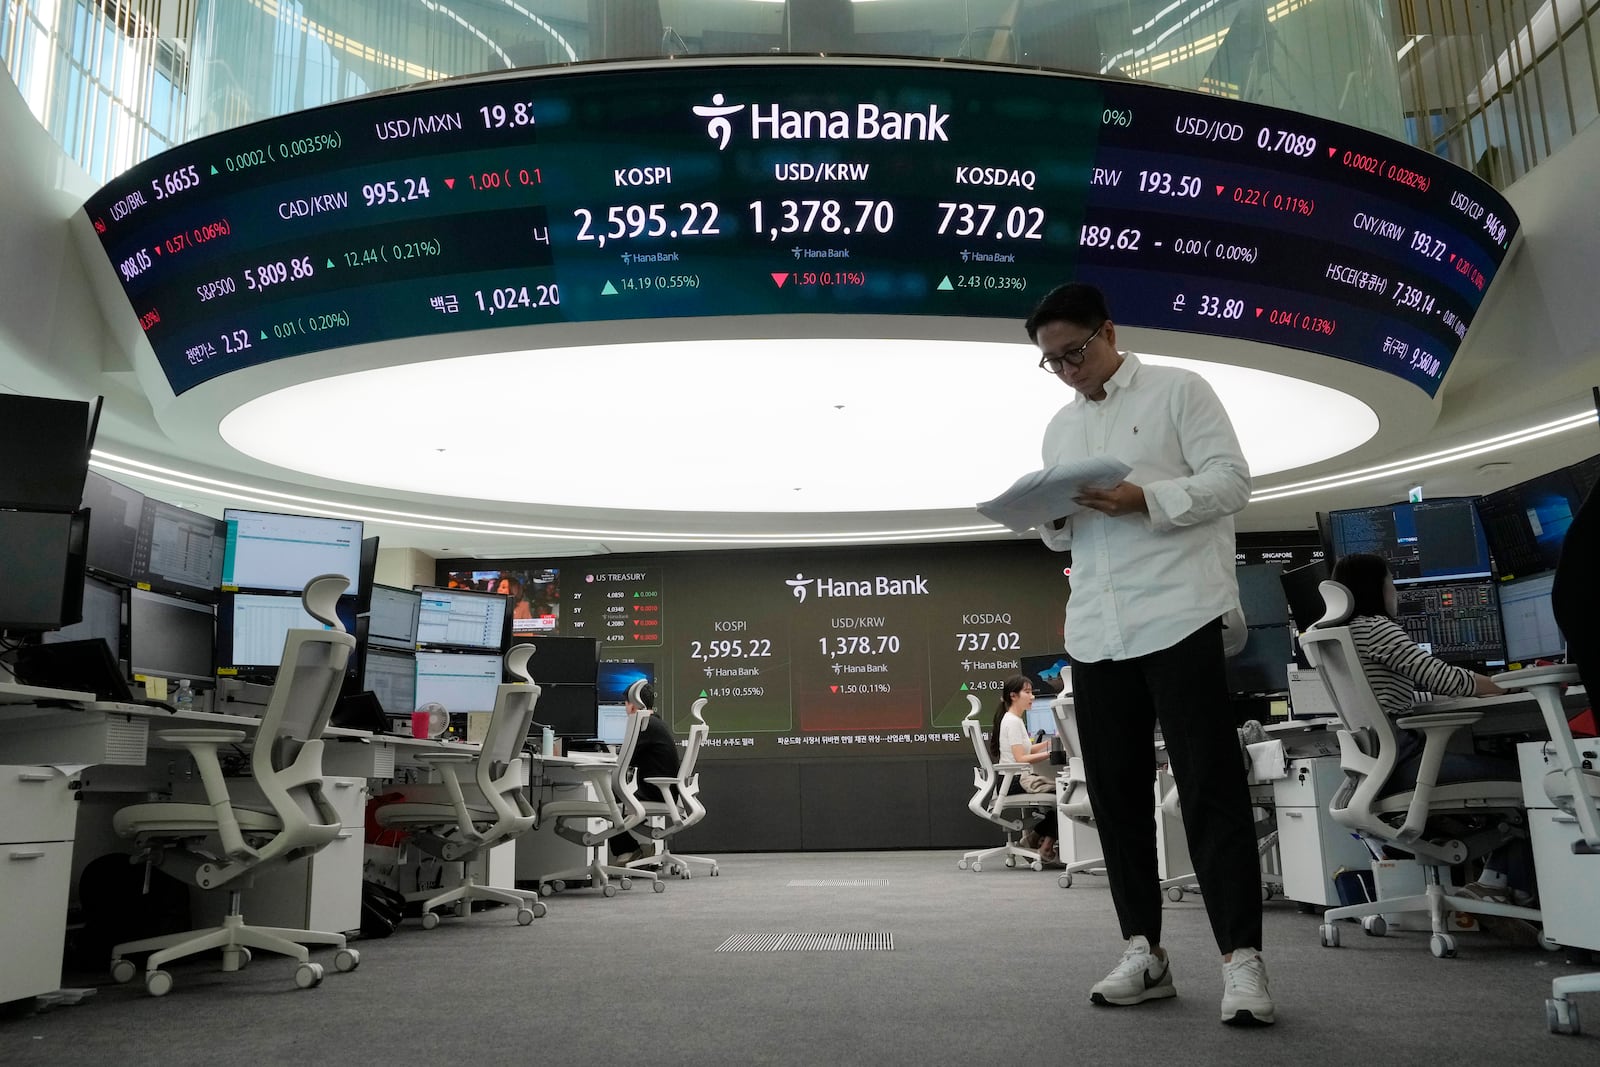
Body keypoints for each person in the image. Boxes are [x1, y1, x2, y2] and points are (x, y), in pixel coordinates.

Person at [1025, 282, 1271, 1026]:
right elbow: (1063, 533)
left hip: (1180, 614)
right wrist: (1049, 519)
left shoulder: (1179, 391)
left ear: (1108, 330)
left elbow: (1233, 484)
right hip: (1095, 630)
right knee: (1118, 798)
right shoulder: (1059, 430)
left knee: (1209, 790)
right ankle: (1144, 950)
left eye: (1075, 351)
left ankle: (1242, 961)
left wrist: (1145, 499)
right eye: (1052, 361)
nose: (1067, 369)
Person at [1328, 552, 1539, 922]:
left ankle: (1499, 884)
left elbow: (1395, 696)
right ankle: (1501, 885)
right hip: (1406, 763)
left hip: (1376, 768)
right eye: (1391, 582)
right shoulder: (1377, 627)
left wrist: (1446, 695)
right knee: (1532, 776)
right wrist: (1501, 688)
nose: (1395, 591)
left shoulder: (1339, 635)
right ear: (1375, 588)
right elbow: (1443, 677)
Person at [987, 674, 1059, 862]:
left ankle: (1033, 838)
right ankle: (1045, 845)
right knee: (1065, 795)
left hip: (1013, 780)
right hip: (1016, 781)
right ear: (1013, 696)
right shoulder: (1012, 721)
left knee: (1063, 793)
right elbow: (1021, 758)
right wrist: (1051, 754)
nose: (1032, 696)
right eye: (1027, 692)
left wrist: (1050, 743)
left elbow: (1026, 750)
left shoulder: (1012, 719)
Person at [611, 682, 679, 865]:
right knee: (616, 793)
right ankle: (636, 848)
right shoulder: (655, 722)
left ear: (633, 703)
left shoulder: (644, 725)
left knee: (608, 795)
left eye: (625, 703)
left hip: (655, 791)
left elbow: (624, 760)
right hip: (663, 790)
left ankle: (629, 849)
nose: (625, 709)